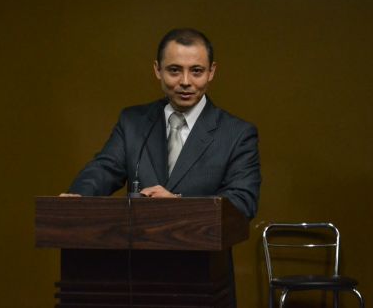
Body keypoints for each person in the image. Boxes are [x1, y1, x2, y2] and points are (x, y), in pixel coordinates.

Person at [61, 28, 261, 219]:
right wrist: (78, 197)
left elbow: (242, 203)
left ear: (211, 71)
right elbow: (103, 170)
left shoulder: (238, 134)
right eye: (174, 70)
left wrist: (177, 205)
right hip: (137, 242)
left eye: (196, 71)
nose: (185, 81)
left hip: (201, 244)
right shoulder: (133, 122)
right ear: (158, 70)